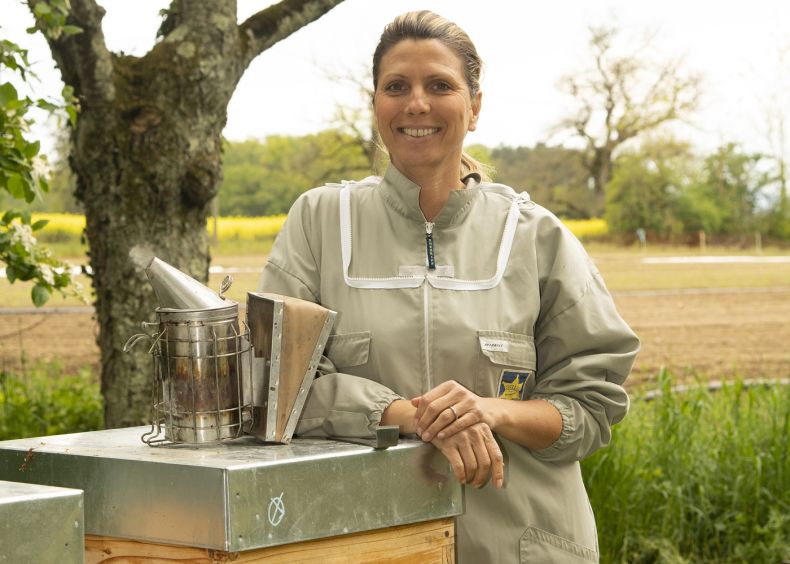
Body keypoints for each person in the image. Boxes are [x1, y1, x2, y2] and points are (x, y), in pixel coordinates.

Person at [259, 10, 639, 563]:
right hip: (373, 546)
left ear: (475, 107)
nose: (417, 104)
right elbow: (276, 381)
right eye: (397, 87)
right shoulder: (319, 221)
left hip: (524, 547)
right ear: (375, 106)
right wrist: (410, 415)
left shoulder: (537, 236)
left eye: (440, 85)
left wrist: (490, 411)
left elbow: (591, 406)